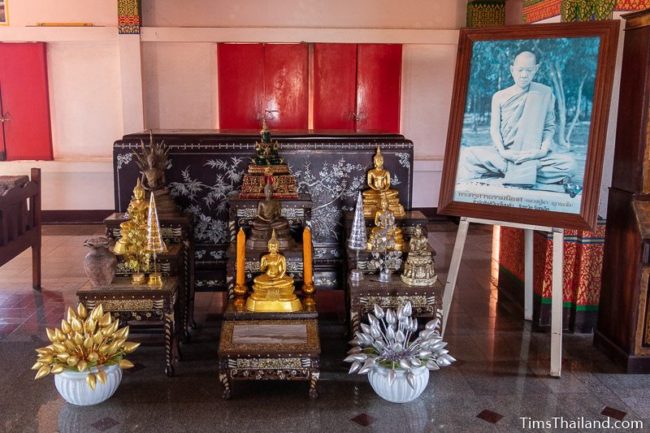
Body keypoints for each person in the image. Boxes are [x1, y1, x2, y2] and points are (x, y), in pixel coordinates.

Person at [457, 51, 577, 192]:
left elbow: (549, 127)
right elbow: (494, 129)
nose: (524, 75)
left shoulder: (545, 93)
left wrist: (541, 151)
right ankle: (524, 174)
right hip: (504, 156)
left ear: (536, 69)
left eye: (529, 70)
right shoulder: (499, 96)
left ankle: (513, 173)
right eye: (520, 70)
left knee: (570, 164)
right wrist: (503, 152)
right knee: (468, 155)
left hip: (533, 155)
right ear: (512, 69)